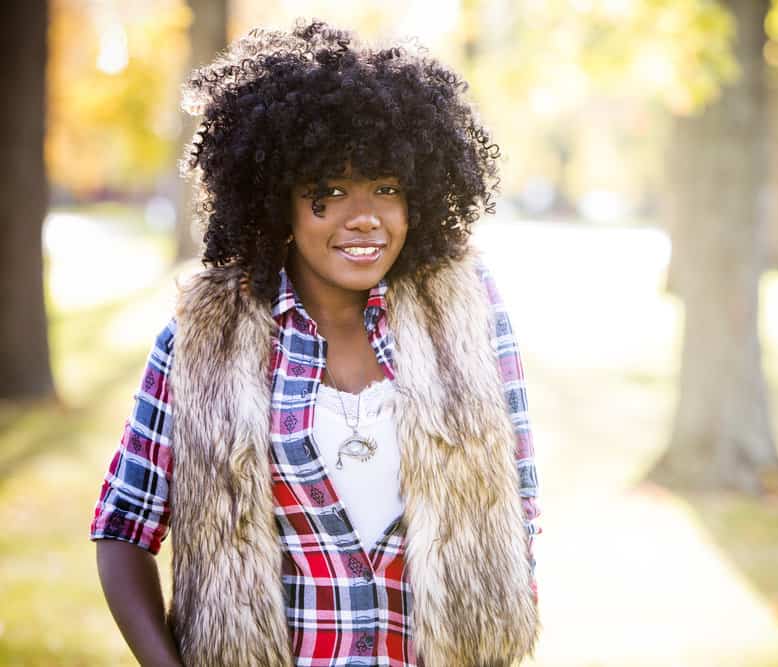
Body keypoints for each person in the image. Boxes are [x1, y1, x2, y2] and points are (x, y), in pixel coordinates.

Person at [90, 20, 541, 667]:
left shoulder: (469, 316)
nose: (365, 216)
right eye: (328, 192)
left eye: (387, 188)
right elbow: (123, 527)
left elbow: (520, 503)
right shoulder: (205, 339)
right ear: (279, 201)